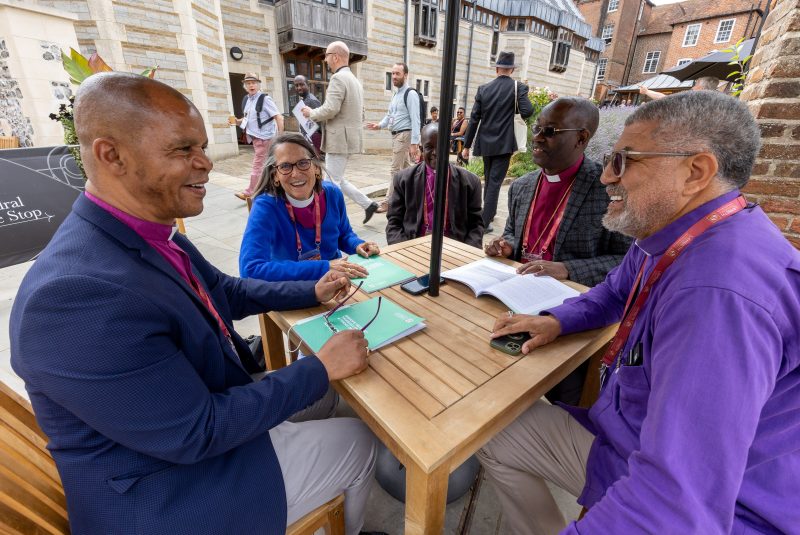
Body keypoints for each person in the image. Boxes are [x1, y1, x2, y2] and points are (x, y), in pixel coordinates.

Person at [9, 72, 384, 535]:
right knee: (357, 437)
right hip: (172, 494)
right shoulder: (73, 297)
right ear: (112, 155)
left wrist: (312, 289)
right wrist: (319, 367)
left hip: (192, 425)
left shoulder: (148, 231)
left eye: (202, 147)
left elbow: (226, 291)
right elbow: (197, 432)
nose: (205, 163)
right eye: (183, 149)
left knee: (325, 392)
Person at [478, 91, 800, 534]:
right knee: (493, 429)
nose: (607, 175)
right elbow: (613, 292)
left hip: (729, 509)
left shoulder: (718, 295)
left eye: (625, 161)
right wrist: (557, 320)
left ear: (696, 171)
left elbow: (673, 500)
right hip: (625, 437)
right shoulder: (677, 233)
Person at [484, 97, 632, 405]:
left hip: (573, 315)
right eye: (538, 128)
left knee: (563, 398)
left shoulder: (608, 190)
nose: (537, 137)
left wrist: (567, 268)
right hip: (515, 297)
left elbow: (626, 260)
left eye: (550, 130)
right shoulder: (522, 186)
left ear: (582, 138)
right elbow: (514, 231)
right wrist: (506, 244)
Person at [240, 132, 380, 282]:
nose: (296, 173)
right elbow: (250, 269)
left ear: (316, 168)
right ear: (275, 176)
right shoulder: (266, 207)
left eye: (303, 163)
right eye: (285, 166)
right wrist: (324, 267)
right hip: (293, 289)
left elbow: (343, 234)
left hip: (337, 281)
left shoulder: (332, 194)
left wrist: (358, 245)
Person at [301, 41, 381, 224]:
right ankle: (368, 204)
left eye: (327, 55)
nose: (325, 60)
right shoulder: (355, 81)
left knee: (331, 183)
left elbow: (330, 109)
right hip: (348, 138)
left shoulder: (338, 79)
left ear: (335, 56)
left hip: (338, 139)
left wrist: (310, 113)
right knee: (337, 178)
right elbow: (361, 112)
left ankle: (331, 221)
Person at [462, 51, 533, 233]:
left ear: (496, 69)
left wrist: (467, 146)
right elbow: (527, 111)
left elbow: (474, 119)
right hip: (504, 143)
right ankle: (484, 223)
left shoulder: (484, 89)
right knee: (494, 182)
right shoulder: (519, 88)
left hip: (485, 142)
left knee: (489, 179)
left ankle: (488, 214)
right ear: (512, 69)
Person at [386, 122, 484, 248]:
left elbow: (476, 225)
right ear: (421, 149)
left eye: (441, 146)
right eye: (429, 147)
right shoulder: (403, 179)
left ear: (448, 146)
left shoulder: (470, 182)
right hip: (413, 246)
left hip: (455, 248)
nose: (435, 152)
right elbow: (394, 222)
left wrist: (466, 253)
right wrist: (404, 250)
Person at [366, 62, 421, 212]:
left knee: (395, 170)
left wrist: (415, 142)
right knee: (407, 169)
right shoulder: (396, 95)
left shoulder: (411, 94)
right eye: (393, 73)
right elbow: (390, 116)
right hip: (396, 136)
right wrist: (379, 125)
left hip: (404, 135)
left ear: (406, 75)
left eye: (397, 73)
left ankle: (387, 202)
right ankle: (419, 194)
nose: (394, 76)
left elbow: (416, 119)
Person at [229, 72, 284, 200]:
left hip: (265, 138)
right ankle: (274, 188)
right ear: (245, 86)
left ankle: (250, 192)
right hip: (255, 138)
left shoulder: (265, 99)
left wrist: (280, 138)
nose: (251, 85)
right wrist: (237, 121)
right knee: (268, 164)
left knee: (258, 165)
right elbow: (248, 118)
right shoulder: (247, 100)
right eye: (248, 83)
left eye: (253, 83)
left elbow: (279, 117)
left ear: (259, 85)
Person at [294, 74, 323, 157]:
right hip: (308, 138)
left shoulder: (312, 101)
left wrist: (316, 144)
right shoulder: (305, 100)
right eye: (296, 85)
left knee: (314, 164)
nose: (299, 88)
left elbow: (320, 123)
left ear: (308, 85)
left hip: (314, 139)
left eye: (301, 84)